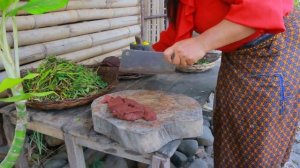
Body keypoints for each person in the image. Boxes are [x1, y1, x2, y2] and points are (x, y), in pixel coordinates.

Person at [152, 0, 299, 167]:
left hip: (271, 51)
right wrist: (145, 60)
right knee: (229, 131)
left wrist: (201, 43)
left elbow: (265, 7)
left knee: (256, 142)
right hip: (236, 56)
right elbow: (178, 29)